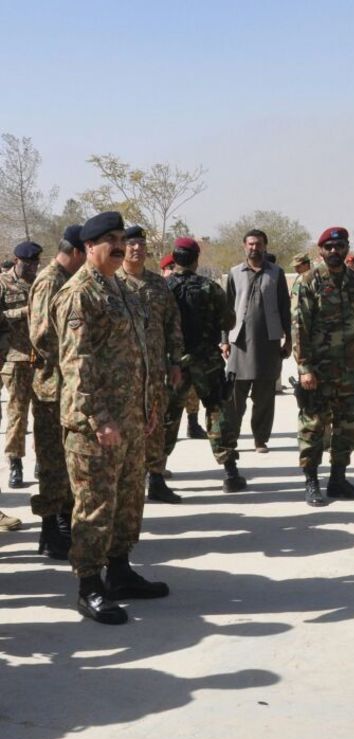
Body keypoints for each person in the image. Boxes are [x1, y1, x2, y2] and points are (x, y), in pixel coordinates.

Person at [51, 211, 167, 625]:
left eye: (122, 238)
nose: (120, 246)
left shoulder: (124, 289)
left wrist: (149, 406)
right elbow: (76, 365)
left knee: (128, 502)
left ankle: (119, 572)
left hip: (131, 419)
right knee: (95, 506)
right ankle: (89, 586)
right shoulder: (79, 294)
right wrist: (100, 418)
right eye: (110, 240)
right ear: (88, 248)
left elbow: (142, 354)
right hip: (95, 426)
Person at [292, 227, 354, 506]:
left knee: (349, 423)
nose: (334, 252)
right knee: (313, 426)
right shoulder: (308, 281)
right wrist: (304, 367)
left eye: (339, 247)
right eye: (329, 247)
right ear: (321, 251)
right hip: (318, 370)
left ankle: (338, 480)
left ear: (347, 248)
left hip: (350, 366)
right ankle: (311, 482)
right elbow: (298, 327)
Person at [159, 237, 242, 497]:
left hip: (174, 362)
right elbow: (228, 321)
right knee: (217, 411)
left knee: (168, 417)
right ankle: (230, 473)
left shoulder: (163, 289)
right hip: (207, 361)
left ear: (174, 258)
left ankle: (155, 476)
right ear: (196, 259)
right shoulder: (210, 288)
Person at [26, 228, 89, 548]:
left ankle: (64, 520)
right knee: (53, 459)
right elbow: (40, 336)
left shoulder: (66, 277)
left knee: (68, 458)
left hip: (65, 384)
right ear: (77, 252)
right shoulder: (51, 280)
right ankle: (50, 530)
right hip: (52, 386)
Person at [119, 226, 185, 505]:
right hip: (123, 372)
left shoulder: (159, 284)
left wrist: (175, 362)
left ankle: (155, 478)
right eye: (131, 243)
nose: (137, 249)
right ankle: (126, 483)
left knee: (156, 424)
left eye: (141, 244)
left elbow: (173, 325)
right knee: (125, 426)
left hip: (156, 369)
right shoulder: (112, 283)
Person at [220, 229, 292, 455]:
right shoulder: (234, 273)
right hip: (239, 342)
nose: (254, 248)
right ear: (244, 246)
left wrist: (289, 339)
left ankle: (260, 440)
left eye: (259, 244)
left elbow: (285, 309)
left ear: (265, 246)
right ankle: (230, 439)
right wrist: (224, 340)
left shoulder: (276, 274)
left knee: (264, 397)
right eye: (251, 244)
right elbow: (226, 310)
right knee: (234, 397)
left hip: (269, 342)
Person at [1, 240, 41, 488]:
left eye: (35, 263)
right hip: (15, 359)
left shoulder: (40, 283)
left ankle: (42, 460)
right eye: (28, 263)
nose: (32, 268)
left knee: (45, 415)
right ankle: (15, 463)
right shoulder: (3, 283)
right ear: (17, 261)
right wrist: (25, 311)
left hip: (42, 359)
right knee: (17, 415)